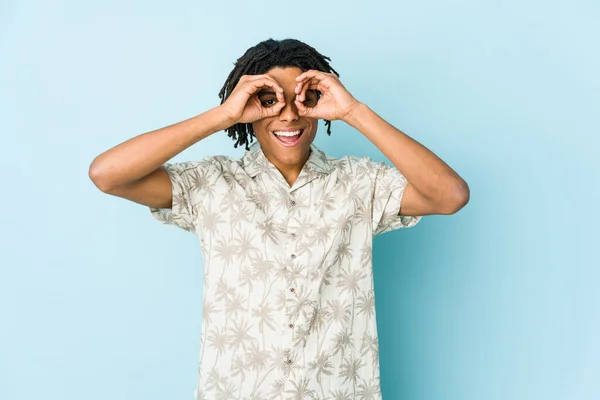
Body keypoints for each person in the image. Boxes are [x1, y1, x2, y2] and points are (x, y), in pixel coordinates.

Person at [89, 38, 469, 399]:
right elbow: (107, 174)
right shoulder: (209, 184)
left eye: (305, 100)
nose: (288, 114)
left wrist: (354, 111)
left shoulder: (360, 183)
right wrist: (222, 116)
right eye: (269, 101)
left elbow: (450, 195)